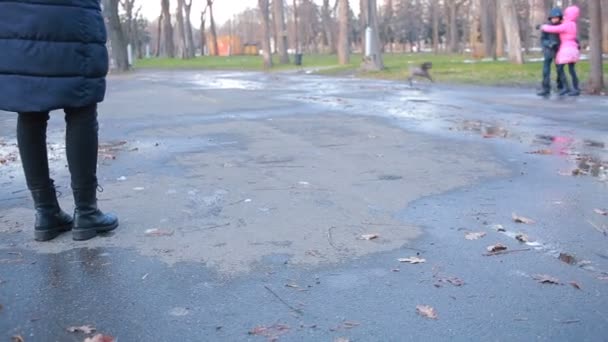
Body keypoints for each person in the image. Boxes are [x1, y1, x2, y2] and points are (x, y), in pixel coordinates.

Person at [0, 0, 119, 241]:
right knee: (81, 107)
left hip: (18, 17)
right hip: (72, 15)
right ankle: (86, 211)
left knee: (29, 109)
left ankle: (45, 212)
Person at [541, 5, 581, 96]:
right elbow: (543, 39)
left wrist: (542, 27)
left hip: (565, 49)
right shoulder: (573, 24)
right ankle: (575, 88)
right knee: (571, 69)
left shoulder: (566, 25)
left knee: (560, 68)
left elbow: (555, 29)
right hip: (571, 49)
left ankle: (566, 87)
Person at [537, 8, 564, 97]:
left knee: (560, 70)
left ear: (560, 18)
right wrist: (549, 44)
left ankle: (561, 87)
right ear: (550, 18)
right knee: (546, 71)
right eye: (553, 18)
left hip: (559, 51)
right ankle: (545, 88)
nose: (555, 19)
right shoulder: (546, 27)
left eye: (557, 17)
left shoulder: (563, 26)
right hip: (548, 51)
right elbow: (543, 39)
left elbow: (568, 37)